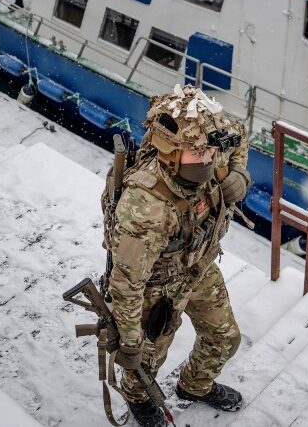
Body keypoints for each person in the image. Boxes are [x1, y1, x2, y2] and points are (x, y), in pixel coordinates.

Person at [107, 85, 252, 427]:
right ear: (169, 152)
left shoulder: (210, 141)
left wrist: (239, 174)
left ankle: (194, 385)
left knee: (224, 337)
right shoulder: (146, 208)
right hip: (156, 288)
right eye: (196, 155)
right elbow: (126, 285)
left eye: (209, 153)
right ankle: (139, 398)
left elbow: (239, 137)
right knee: (146, 360)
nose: (207, 160)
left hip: (197, 265)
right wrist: (129, 341)